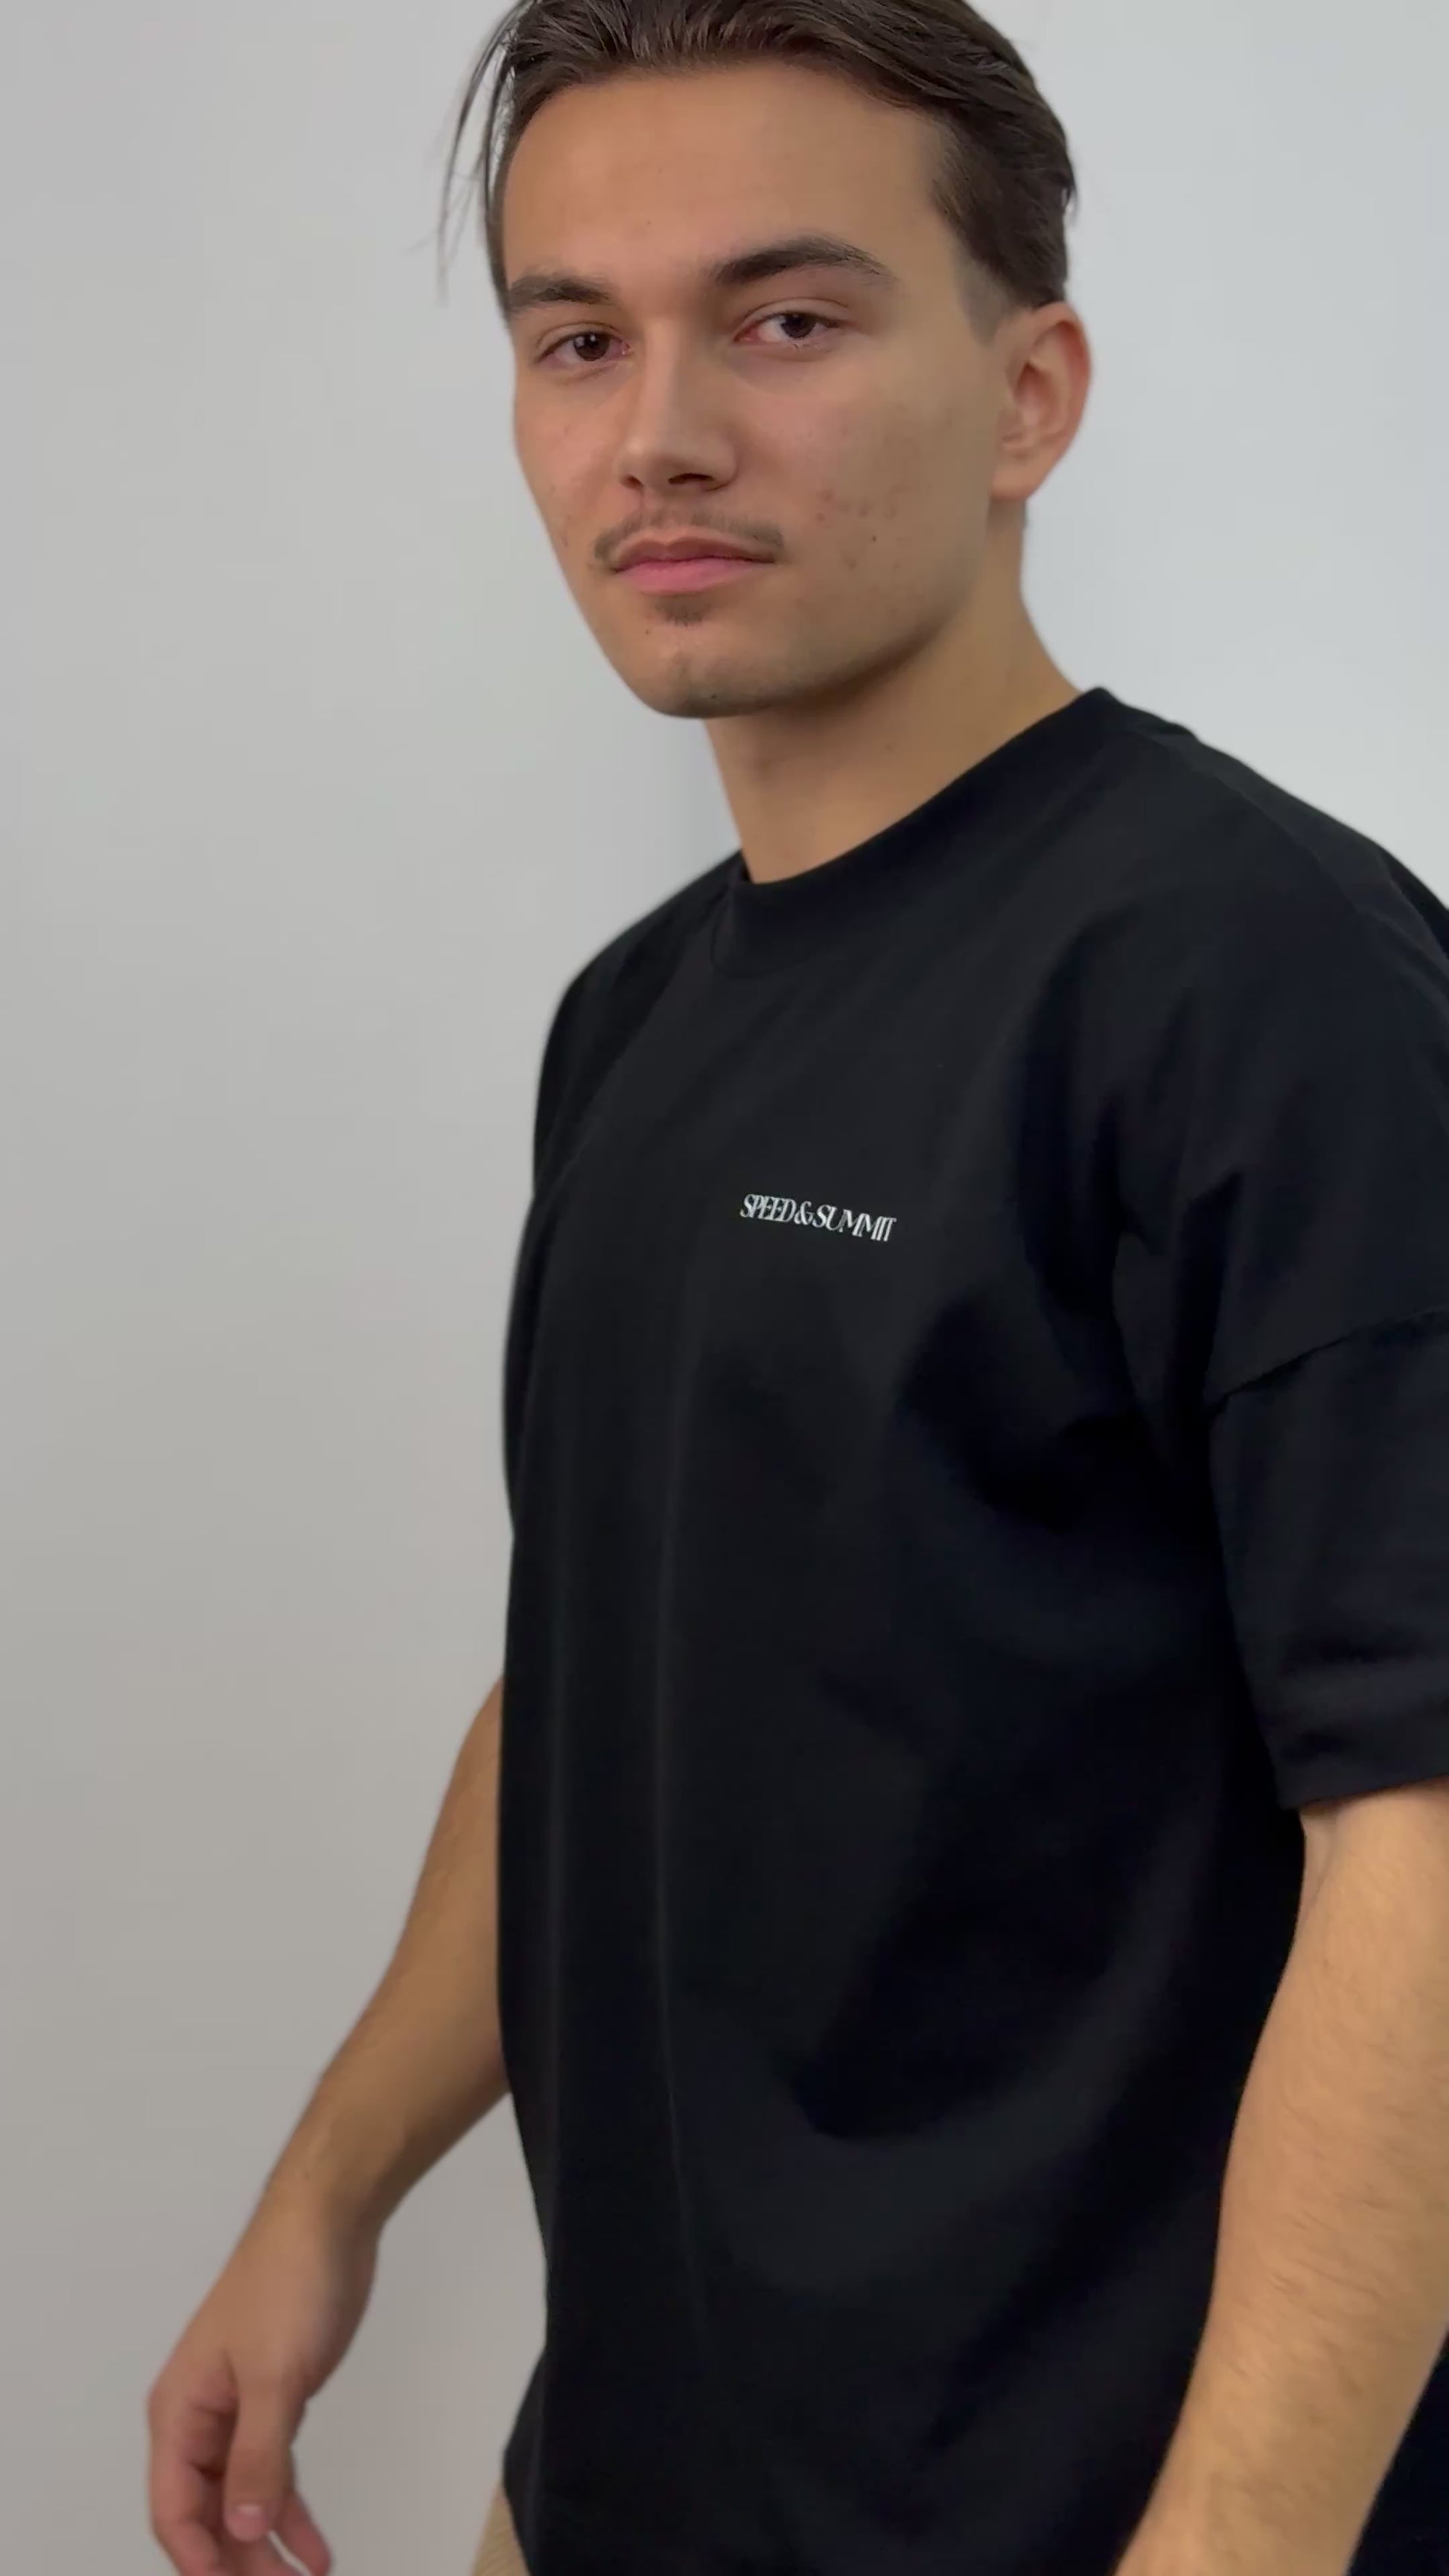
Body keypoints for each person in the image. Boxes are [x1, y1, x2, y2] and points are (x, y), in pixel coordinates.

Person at [146, 4, 1449, 2574]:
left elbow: (1421, 1837)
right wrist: (329, 2186)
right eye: (576, 338)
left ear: (1026, 392)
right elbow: (609, 1673)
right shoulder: (636, 1017)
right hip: (639, 2481)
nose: (657, 434)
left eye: (784, 318)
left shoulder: (1258, 980)